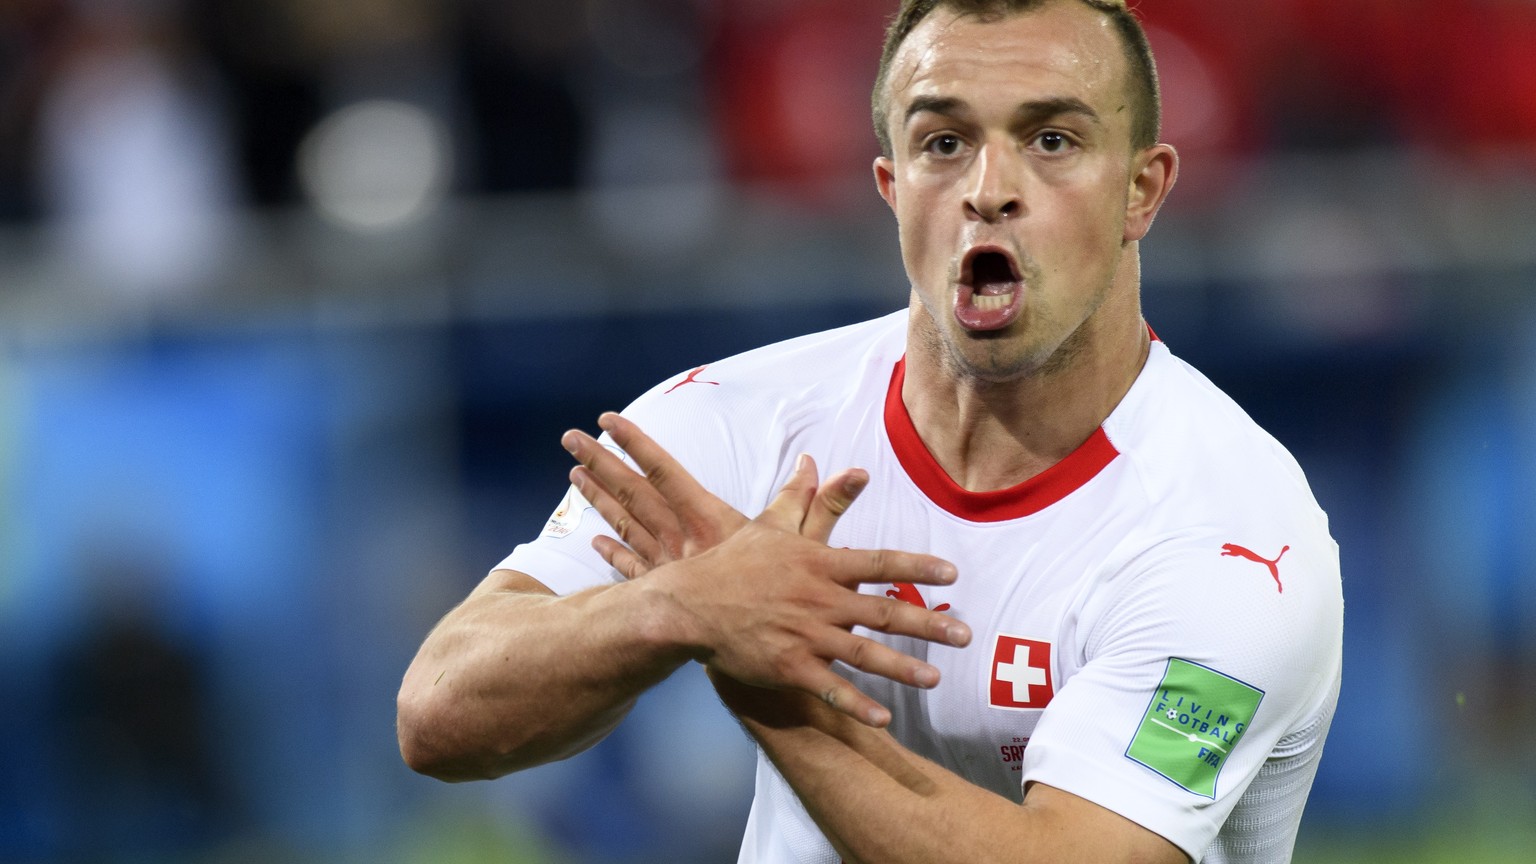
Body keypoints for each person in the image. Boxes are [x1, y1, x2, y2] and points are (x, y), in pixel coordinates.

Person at [396, 1, 1343, 862]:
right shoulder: (745, 423)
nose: (989, 188)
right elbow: (439, 712)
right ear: (891, 185)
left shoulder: (1235, 544)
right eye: (943, 142)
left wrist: (770, 681)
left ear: (1143, 190)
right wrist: (679, 607)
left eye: (1052, 139)